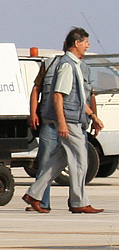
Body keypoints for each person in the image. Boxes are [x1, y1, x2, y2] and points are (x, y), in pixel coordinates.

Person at [23, 28, 105, 214]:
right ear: (76, 43)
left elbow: (78, 98)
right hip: (69, 121)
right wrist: (62, 123)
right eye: (85, 42)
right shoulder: (67, 65)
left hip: (73, 119)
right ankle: (78, 202)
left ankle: (34, 194)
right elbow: (59, 96)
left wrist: (93, 116)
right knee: (79, 160)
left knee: (57, 161)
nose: (88, 45)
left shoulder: (76, 65)